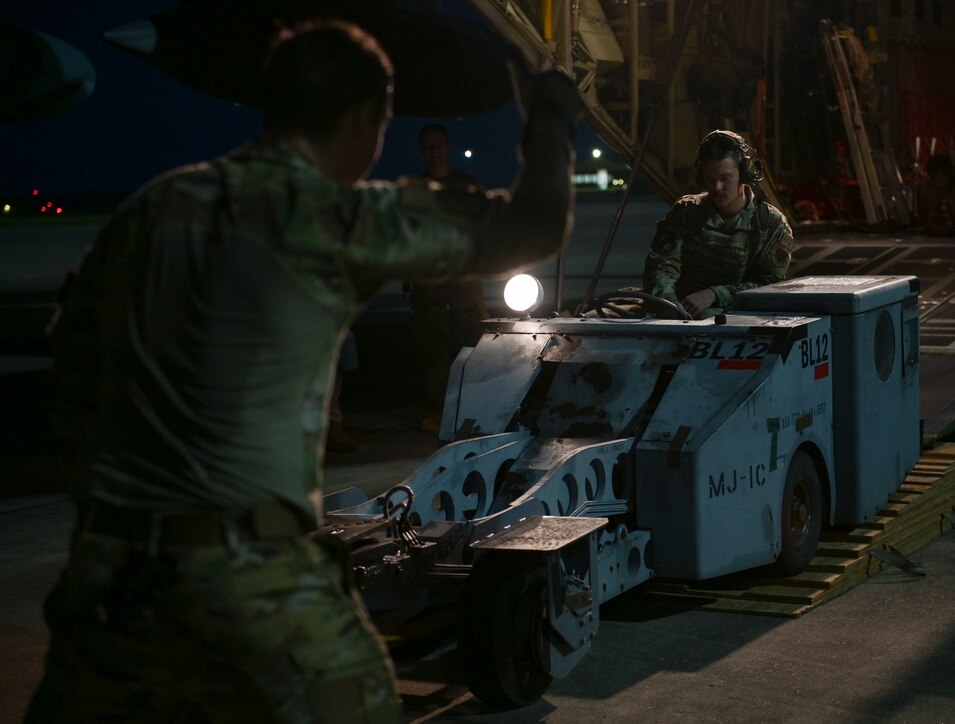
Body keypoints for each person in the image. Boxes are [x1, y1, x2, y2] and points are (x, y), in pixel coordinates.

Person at [26, 19, 581, 723]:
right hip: (247, 578)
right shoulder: (332, 215)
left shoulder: (153, 208)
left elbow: (71, 384)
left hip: (109, 576)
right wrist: (553, 120)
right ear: (361, 120)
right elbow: (534, 227)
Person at [643, 130, 794, 319]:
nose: (717, 188)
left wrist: (714, 295)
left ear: (744, 175)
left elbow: (771, 285)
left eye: (725, 178)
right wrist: (668, 304)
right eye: (710, 179)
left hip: (734, 313)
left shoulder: (770, 224)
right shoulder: (687, 211)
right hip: (677, 310)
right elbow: (662, 263)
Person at [408, 123, 490, 425]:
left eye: (438, 144)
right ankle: (438, 411)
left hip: (464, 281)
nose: (434, 151)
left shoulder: (464, 184)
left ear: (447, 146)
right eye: (428, 146)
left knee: (470, 343)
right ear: (422, 151)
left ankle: (472, 406)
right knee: (433, 348)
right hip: (430, 282)